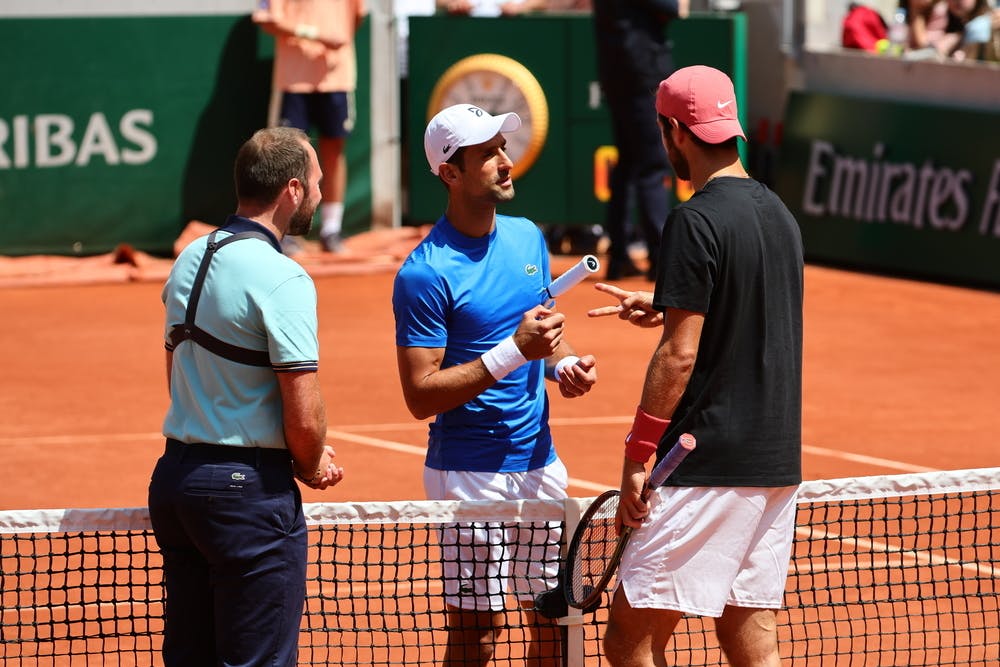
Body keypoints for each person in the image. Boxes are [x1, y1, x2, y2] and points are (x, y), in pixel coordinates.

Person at [588, 66, 804, 666]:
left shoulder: (694, 218)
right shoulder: (779, 216)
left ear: (674, 132)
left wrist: (637, 455)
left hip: (705, 459)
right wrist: (665, 304)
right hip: (775, 462)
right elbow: (744, 308)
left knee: (631, 638)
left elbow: (680, 355)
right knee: (747, 635)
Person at [392, 103, 599, 666]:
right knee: (479, 635)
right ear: (450, 173)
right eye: (487, 155)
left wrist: (564, 365)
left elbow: (546, 336)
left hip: (539, 462)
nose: (506, 163)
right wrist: (516, 351)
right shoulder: (424, 274)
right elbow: (420, 395)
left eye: (502, 149)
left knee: (556, 621)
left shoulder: (528, 238)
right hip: (469, 474)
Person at [149, 126, 345, 667]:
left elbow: (176, 370)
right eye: (318, 182)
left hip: (176, 486)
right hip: (246, 497)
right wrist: (310, 461)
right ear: (293, 190)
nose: (322, 192)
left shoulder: (189, 258)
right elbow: (303, 415)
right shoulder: (284, 278)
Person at [253, 0, 367, 253]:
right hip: (293, 79)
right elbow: (265, 18)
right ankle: (286, 230)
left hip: (337, 76)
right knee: (287, 155)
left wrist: (335, 41)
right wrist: (316, 35)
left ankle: (331, 229)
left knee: (334, 150)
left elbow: (356, 17)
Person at [592, 0, 688, 281]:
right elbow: (676, 7)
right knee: (652, 165)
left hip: (617, 73)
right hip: (641, 73)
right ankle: (660, 259)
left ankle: (619, 256)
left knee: (628, 165)